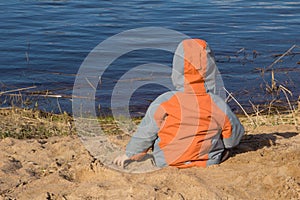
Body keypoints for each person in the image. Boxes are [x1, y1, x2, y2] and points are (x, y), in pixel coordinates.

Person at [114, 39, 244, 169]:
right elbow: (233, 135)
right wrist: (227, 144)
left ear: (176, 69)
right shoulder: (216, 103)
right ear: (211, 70)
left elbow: (146, 133)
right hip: (206, 161)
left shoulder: (165, 101)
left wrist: (130, 154)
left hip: (167, 162)